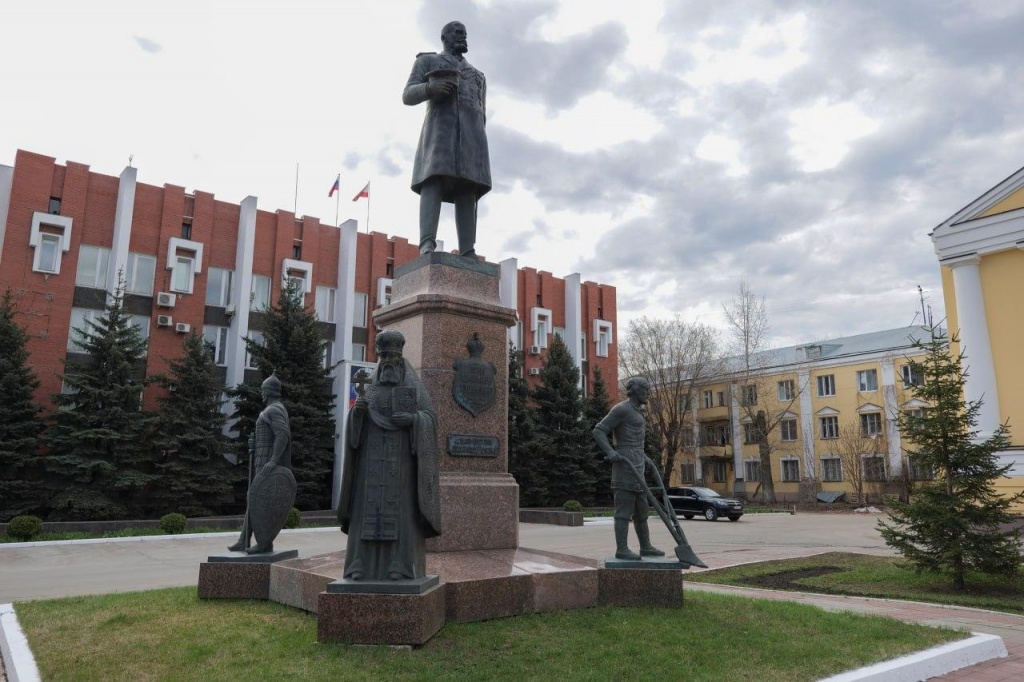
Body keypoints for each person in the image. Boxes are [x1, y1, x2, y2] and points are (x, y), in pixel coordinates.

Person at [338, 330, 441, 581]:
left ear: (400, 361)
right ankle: (359, 565)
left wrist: (414, 420)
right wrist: (357, 414)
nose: (387, 364)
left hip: (401, 466)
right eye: (383, 359)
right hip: (370, 465)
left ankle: (401, 566)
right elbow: (354, 433)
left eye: (391, 359)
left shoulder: (414, 390)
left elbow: (431, 419)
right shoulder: (370, 391)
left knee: (401, 515)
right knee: (366, 511)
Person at [403, 20, 490, 258]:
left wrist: (479, 142)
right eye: (458, 33)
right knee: (433, 181)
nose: (463, 37)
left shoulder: (478, 76)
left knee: (468, 189)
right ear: (444, 37)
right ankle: (427, 244)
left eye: (465, 33)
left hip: (473, 139)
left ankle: (468, 250)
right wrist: (430, 89)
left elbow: (482, 112)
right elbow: (407, 95)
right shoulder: (428, 62)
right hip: (440, 134)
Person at [592, 377, 665, 560]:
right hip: (624, 465)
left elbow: (637, 441)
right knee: (623, 511)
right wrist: (610, 451)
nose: (648, 393)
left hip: (638, 464)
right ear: (635, 391)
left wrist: (645, 457)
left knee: (642, 511)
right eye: (645, 389)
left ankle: (646, 547)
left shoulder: (639, 412)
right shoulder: (622, 409)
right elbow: (599, 430)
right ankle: (622, 549)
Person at [228, 373, 293, 554]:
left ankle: (264, 543)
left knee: (258, 499)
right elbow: (270, 435)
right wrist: (254, 443)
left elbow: (282, 435)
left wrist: (273, 461)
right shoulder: (274, 409)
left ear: (268, 391)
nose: (261, 394)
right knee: (253, 498)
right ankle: (244, 540)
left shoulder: (274, 410)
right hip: (261, 459)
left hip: (267, 462)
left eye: (263, 390)